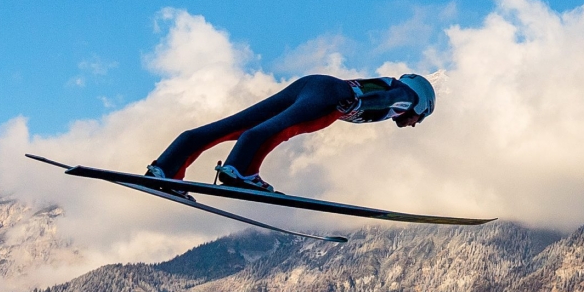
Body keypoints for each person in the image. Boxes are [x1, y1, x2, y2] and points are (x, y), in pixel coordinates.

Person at [144, 73, 435, 194]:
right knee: (279, 129)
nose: (413, 124)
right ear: (422, 105)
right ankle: (241, 172)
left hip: (311, 84)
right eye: (419, 120)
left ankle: (166, 167)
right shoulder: (407, 97)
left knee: (233, 125)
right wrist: (359, 102)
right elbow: (386, 99)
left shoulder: (395, 91)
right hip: (331, 95)